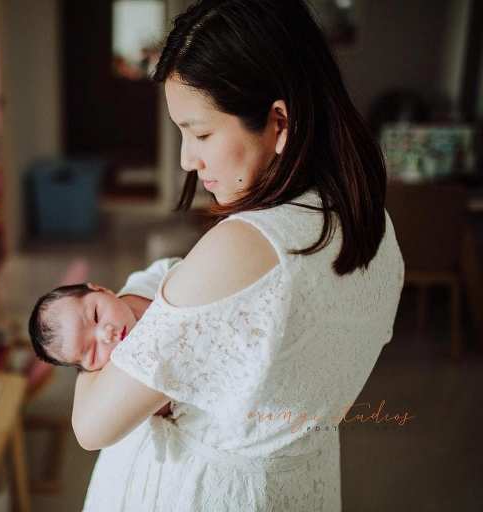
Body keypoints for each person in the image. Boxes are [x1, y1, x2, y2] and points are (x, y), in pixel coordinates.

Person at [70, 1, 405, 511]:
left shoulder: (244, 245)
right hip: (299, 484)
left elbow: (91, 426)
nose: (187, 158)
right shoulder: (374, 225)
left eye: (200, 133)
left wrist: (89, 338)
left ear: (278, 122)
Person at [28, 257, 180, 373]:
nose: (106, 334)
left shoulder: (148, 281)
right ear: (90, 370)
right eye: (92, 352)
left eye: (96, 316)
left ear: (100, 290)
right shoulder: (132, 373)